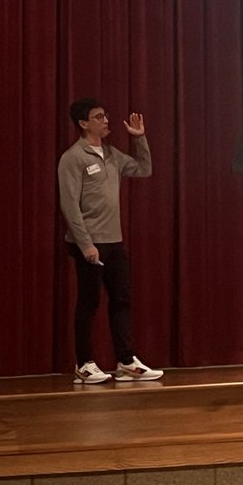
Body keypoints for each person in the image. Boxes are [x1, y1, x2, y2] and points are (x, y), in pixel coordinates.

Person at [58, 97, 162, 383]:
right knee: (89, 302)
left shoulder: (112, 155)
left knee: (121, 300)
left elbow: (143, 169)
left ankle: (126, 361)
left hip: (114, 240)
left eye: (105, 115)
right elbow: (70, 205)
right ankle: (84, 364)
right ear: (83, 123)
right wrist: (86, 244)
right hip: (89, 243)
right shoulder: (74, 157)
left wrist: (139, 139)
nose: (106, 121)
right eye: (99, 117)